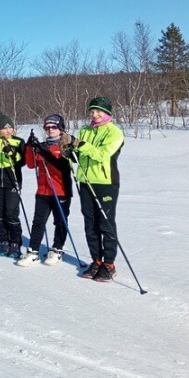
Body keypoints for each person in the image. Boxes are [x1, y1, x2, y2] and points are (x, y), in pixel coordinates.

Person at [62, 97, 124, 282]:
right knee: (90, 223)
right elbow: (82, 156)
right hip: (85, 181)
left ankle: (109, 263)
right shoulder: (85, 130)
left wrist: (79, 144)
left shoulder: (115, 132)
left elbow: (102, 155)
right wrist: (69, 152)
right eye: (92, 111)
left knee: (106, 222)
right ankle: (96, 260)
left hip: (105, 182)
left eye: (99, 111)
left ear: (107, 113)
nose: (95, 115)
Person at [18, 114, 73, 267]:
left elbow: (60, 166)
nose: (50, 130)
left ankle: (57, 249)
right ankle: (33, 251)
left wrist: (43, 152)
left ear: (60, 128)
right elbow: (30, 165)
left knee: (60, 221)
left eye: (53, 127)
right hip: (43, 191)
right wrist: (30, 148)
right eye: (47, 127)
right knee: (38, 222)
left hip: (61, 191)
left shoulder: (65, 146)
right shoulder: (41, 146)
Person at [0, 113, 26, 259]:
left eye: (10, 128)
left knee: (11, 213)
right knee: (0, 213)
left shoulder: (19, 141)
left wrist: (13, 155)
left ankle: (15, 242)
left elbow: (23, 163)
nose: (8, 131)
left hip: (12, 180)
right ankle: (4, 240)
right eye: (4, 128)